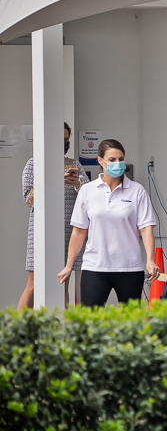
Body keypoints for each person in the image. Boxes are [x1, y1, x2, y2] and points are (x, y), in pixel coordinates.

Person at [57, 139, 159, 307]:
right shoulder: (87, 191)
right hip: (95, 267)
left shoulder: (137, 191)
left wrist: (150, 259)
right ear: (100, 161)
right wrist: (68, 266)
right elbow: (79, 231)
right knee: (90, 323)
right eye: (112, 160)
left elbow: (146, 228)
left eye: (121, 159)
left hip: (129, 268)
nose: (117, 164)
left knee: (131, 324)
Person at [18, 122, 89, 310]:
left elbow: (89, 196)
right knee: (33, 284)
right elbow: (29, 199)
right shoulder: (33, 164)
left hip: (68, 230)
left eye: (66, 139)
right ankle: (17, 331)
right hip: (41, 229)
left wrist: (76, 184)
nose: (64, 143)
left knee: (63, 282)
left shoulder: (75, 164)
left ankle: (61, 331)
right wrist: (56, 179)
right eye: (60, 139)